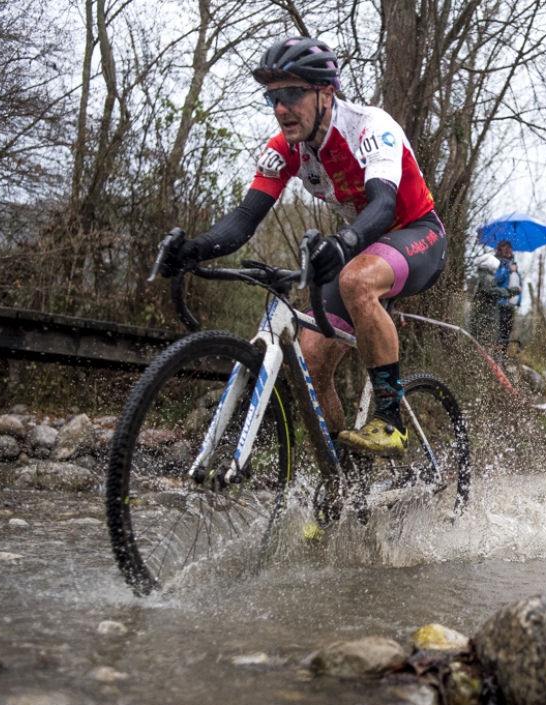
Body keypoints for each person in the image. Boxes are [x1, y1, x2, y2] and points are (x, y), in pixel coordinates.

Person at [159, 37, 446, 457]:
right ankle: (342, 485)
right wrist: (196, 248)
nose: (280, 108)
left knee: (355, 277)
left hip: (418, 233)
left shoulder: (370, 127)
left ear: (326, 94)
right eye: (273, 96)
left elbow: (383, 206)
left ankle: (390, 422)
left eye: (292, 94)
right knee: (309, 358)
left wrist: (343, 242)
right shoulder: (285, 149)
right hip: (364, 246)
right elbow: (244, 220)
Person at [469, 252, 519, 351]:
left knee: (479, 342)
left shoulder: (480, 276)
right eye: (494, 268)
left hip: (480, 315)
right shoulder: (487, 279)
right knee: (483, 343)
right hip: (486, 317)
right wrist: (514, 290)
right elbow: (495, 292)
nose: (495, 271)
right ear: (490, 267)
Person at [493, 240, 521, 361]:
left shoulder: (514, 265)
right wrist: (508, 270)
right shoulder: (497, 264)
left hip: (511, 305)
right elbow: (497, 280)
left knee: (507, 330)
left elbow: (519, 285)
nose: (508, 250)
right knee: (499, 328)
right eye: (505, 248)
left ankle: (503, 354)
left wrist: (519, 301)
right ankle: (495, 353)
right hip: (501, 302)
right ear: (500, 250)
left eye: (510, 248)